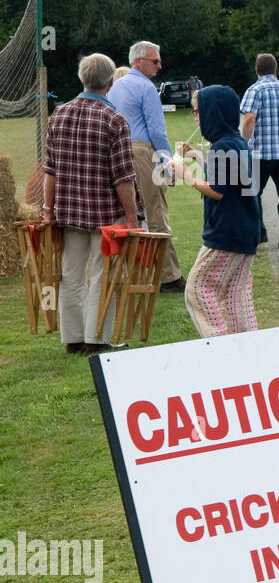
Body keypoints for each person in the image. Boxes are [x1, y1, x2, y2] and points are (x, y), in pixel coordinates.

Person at [42, 52, 143, 354]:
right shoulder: (115, 120)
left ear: (82, 79)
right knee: (104, 275)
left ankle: (73, 338)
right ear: (111, 82)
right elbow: (123, 177)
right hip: (106, 214)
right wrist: (132, 216)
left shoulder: (58, 115)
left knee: (71, 274)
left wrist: (48, 209)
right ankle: (96, 338)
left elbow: (50, 170)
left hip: (68, 211)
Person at [170, 87, 260, 337]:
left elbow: (218, 190)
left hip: (226, 231)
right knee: (235, 296)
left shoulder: (223, 146)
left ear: (214, 113)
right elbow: (228, 178)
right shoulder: (235, 141)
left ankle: (220, 345)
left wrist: (184, 173)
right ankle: (249, 348)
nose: (196, 118)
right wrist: (198, 157)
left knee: (197, 290)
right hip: (244, 230)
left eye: (198, 112)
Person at [106, 40, 184, 292]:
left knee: (126, 213)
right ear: (139, 61)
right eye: (155, 61)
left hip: (116, 151)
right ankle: (168, 276)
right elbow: (157, 131)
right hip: (142, 152)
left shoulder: (114, 88)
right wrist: (169, 164)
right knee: (155, 211)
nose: (159, 66)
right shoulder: (146, 87)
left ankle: (128, 273)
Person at [239, 53, 279, 248]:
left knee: (252, 193)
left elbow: (249, 118)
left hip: (261, 151)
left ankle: (259, 233)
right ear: (275, 69)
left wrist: (244, 142)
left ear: (257, 70)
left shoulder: (255, 90)